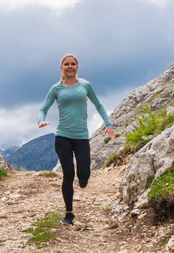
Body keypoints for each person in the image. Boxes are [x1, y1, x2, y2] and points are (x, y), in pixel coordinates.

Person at [37, 53, 116, 226]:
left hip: (81, 137)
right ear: (62, 68)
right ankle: (69, 213)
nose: (70, 66)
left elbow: (99, 105)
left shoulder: (85, 86)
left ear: (77, 66)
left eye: (73, 64)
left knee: (84, 175)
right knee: (68, 174)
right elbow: (43, 108)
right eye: (67, 64)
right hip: (62, 137)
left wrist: (108, 125)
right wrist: (41, 120)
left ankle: (82, 178)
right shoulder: (56, 89)